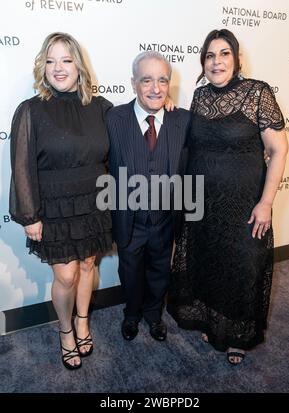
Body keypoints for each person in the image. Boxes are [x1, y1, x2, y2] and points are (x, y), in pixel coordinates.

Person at [167, 29, 288, 364]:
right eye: (209, 55)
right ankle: (212, 322)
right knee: (207, 263)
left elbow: (278, 151)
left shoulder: (257, 93)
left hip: (245, 206)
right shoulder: (200, 96)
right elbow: (189, 142)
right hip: (204, 205)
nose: (216, 61)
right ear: (202, 62)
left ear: (237, 60)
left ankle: (237, 335)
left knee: (242, 266)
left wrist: (266, 203)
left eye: (224, 54)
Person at [9, 32, 112, 370]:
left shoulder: (100, 108)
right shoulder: (31, 110)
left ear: (79, 66)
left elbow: (135, 125)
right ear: (43, 66)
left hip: (94, 202)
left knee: (87, 267)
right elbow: (21, 166)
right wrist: (29, 215)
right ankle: (65, 331)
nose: (58, 68)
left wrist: (162, 105)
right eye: (51, 60)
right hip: (54, 207)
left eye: (66, 60)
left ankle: (83, 320)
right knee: (66, 276)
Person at [107, 51, 191, 342]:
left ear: (169, 85)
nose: (155, 88)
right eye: (147, 80)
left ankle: (154, 315)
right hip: (129, 220)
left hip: (166, 219)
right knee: (129, 273)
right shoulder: (113, 118)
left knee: (159, 272)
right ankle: (131, 314)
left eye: (162, 80)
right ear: (133, 83)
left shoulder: (183, 121)